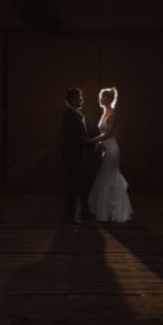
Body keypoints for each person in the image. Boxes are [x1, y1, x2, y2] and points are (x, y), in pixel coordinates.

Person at [87, 87, 132, 223]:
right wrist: (99, 145)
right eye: (100, 96)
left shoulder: (113, 114)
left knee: (107, 177)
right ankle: (110, 209)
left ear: (109, 99)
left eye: (102, 96)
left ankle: (111, 211)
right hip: (106, 149)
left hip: (112, 150)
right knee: (109, 177)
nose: (100, 99)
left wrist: (91, 141)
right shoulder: (104, 111)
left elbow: (108, 134)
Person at [61, 87, 93, 223]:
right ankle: (71, 216)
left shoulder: (73, 114)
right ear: (73, 99)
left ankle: (82, 213)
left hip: (75, 156)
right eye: (80, 97)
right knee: (74, 186)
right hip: (74, 157)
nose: (82, 100)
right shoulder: (71, 115)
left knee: (81, 185)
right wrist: (94, 145)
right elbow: (77, 138)